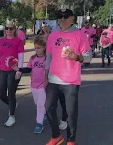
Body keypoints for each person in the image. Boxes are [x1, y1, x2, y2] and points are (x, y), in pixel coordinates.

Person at [45, 9, 91, 145]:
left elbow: (89, 56)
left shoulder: (79, 35)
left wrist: (76, 57)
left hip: (71, 81)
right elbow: (48, 56)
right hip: (53, 79)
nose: (62, 19)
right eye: (60, 16)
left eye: (65, 16)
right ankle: (56, 136)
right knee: (49, 108)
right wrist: (45, 75)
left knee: (71, 113)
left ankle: (71, 140)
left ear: (72, 18)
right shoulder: (53, 35)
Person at [0, 23, 24, 127]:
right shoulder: (1, 41)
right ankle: (12, 104)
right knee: (1, 94)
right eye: (7, 28)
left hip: (13, 70)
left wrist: (19, 70)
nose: (9, 30)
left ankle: (12, 116)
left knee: (11, 93)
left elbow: (21, 56)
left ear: (14, 30)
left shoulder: (18, 41)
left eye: (11, 28)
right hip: (2, 70)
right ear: (4, 29)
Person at [12, 36, 46, 133]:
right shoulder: (33, 58)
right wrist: (19, 69)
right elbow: (28, 69)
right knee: (37, 103)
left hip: (43, 84)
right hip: (34, 84)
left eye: (39, 48)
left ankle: (39, 124)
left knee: (40, 104)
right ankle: (44, 114)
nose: (37, 50)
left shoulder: (47, 58)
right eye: (35, 48)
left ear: (44, 47)